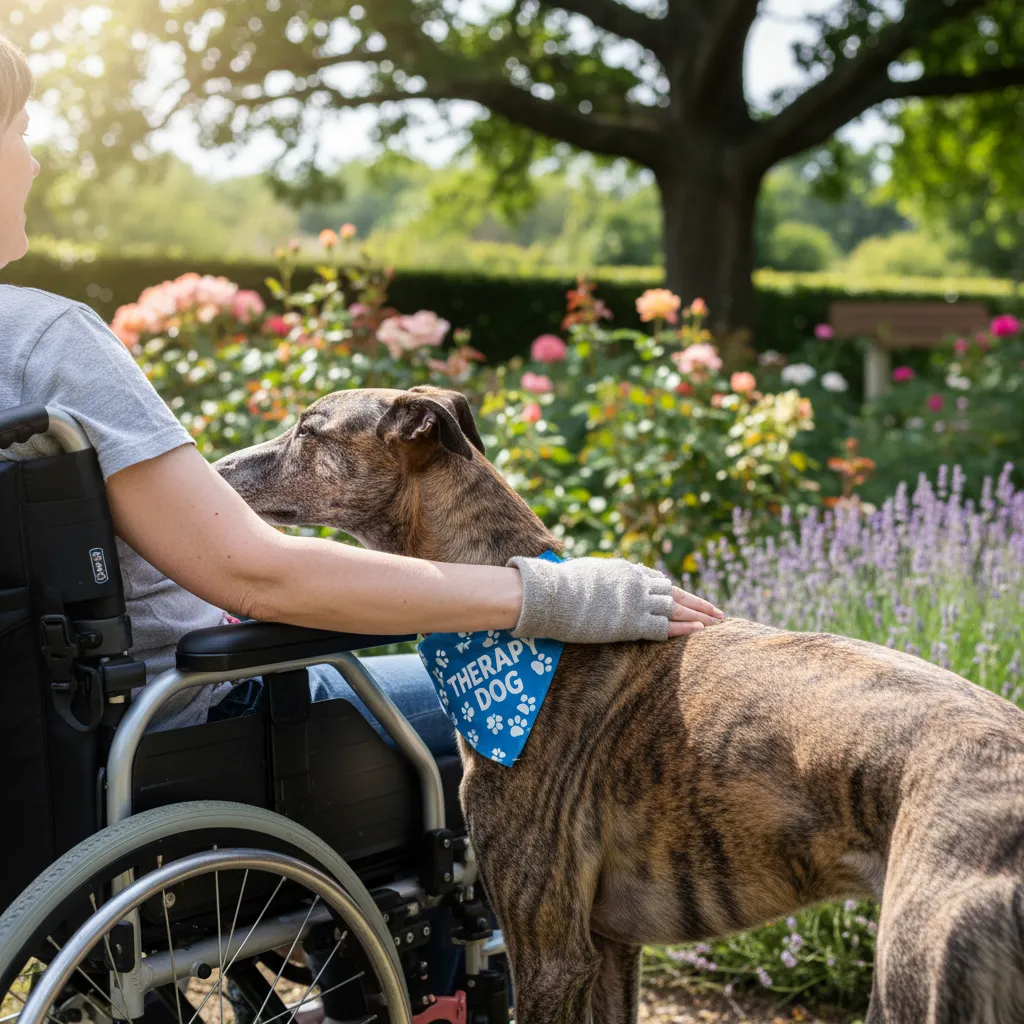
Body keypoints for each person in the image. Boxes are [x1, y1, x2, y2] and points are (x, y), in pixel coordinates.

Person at [0, 32, 723, 1013]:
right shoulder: (42, 339)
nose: (33, 158)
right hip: (171, 727)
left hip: (25, 762)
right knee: (525, 707)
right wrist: (545, 594)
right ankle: (441, 991)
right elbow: (258, 577)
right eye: (20, 128)